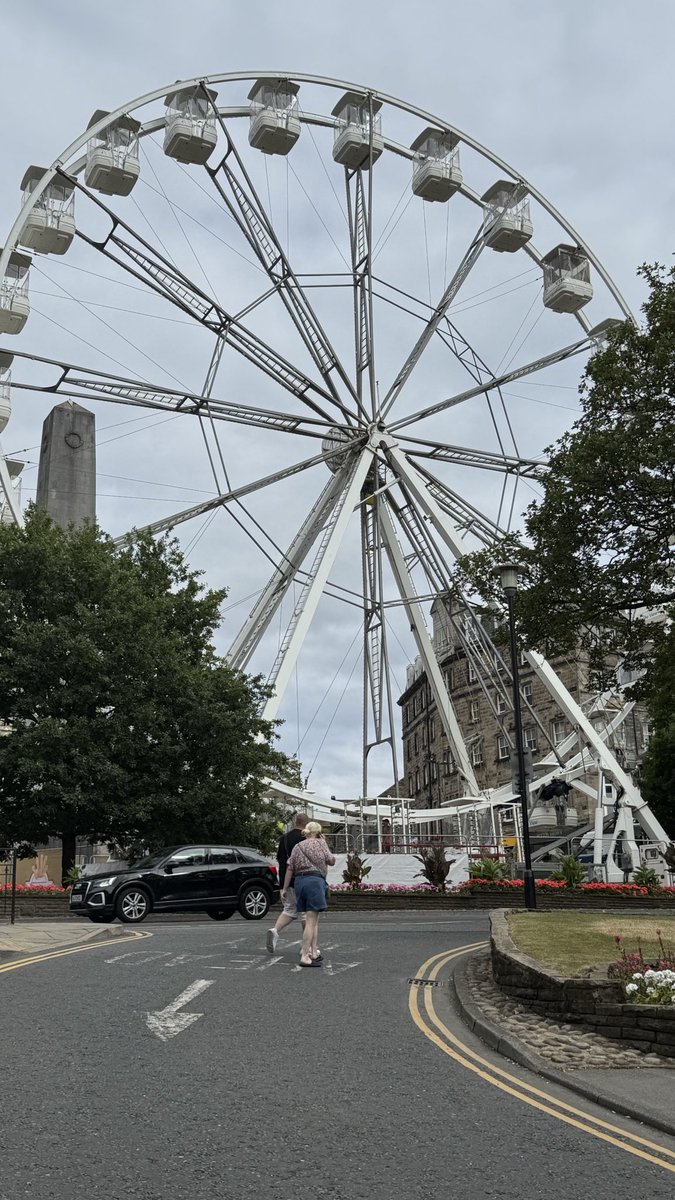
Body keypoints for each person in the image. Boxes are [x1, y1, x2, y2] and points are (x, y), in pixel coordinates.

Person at [283, 821, 335, 967]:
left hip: (299, 882)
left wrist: (285, 888)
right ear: (318, 832)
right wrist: (324, 843)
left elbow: (290, 868)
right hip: (314, 882)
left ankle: (314, 952)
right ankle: (305, 956)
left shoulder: (298, 846)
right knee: (311, 921)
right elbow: (331, 861)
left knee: (312, 918)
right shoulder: (321, 844)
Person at [266, 813, 309, 954]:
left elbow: (281, 860)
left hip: (287, 879)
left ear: (296, 822)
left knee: (289, 910)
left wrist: (282, 886)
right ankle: (306, 946)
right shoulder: (307, 838)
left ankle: (275, 930)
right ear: (306, 824)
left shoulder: (284, 838)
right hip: (302, 879)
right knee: (306, 914)